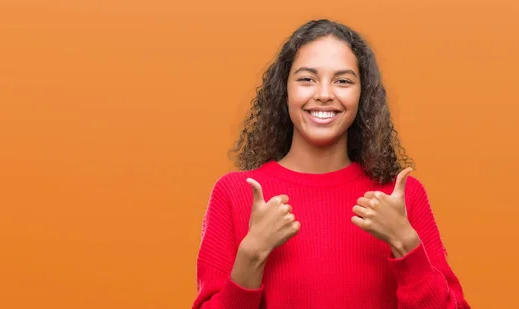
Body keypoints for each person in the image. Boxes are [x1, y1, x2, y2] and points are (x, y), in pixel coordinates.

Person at [191, 19, 470, 309]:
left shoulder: (401, 197)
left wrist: (405, 242)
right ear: (284, 91)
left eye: (343, 81)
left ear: (362, 96)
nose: (324, 94)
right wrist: (252, 253)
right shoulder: (237, 193)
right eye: (307, 79)